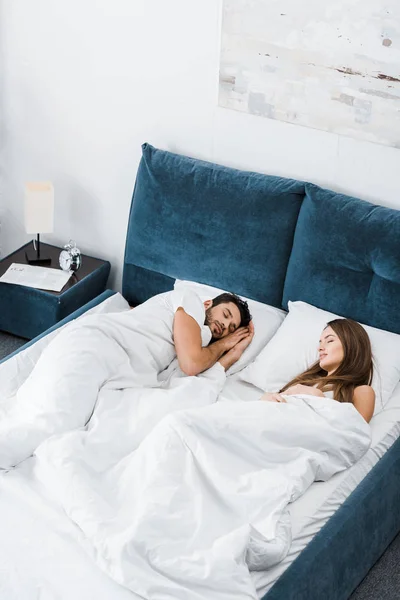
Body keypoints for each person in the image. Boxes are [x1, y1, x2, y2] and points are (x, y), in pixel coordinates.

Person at [260, 318, 375, 423]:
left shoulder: (362, 391)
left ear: (352, 345)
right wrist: (265, 400)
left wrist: (319, 399)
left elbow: (355, 436)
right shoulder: (306, 381)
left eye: (329, 341)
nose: (320, 348)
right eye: (320, 342)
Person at [173, 291, 254, 375]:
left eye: (231, 328)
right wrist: (224, 344)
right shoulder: (191, 302)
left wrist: (234, 352)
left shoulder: (201, 347)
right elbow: (191, 365)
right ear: (207, 304)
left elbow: (192, 384)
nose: (225, 325)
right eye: (225, 314)